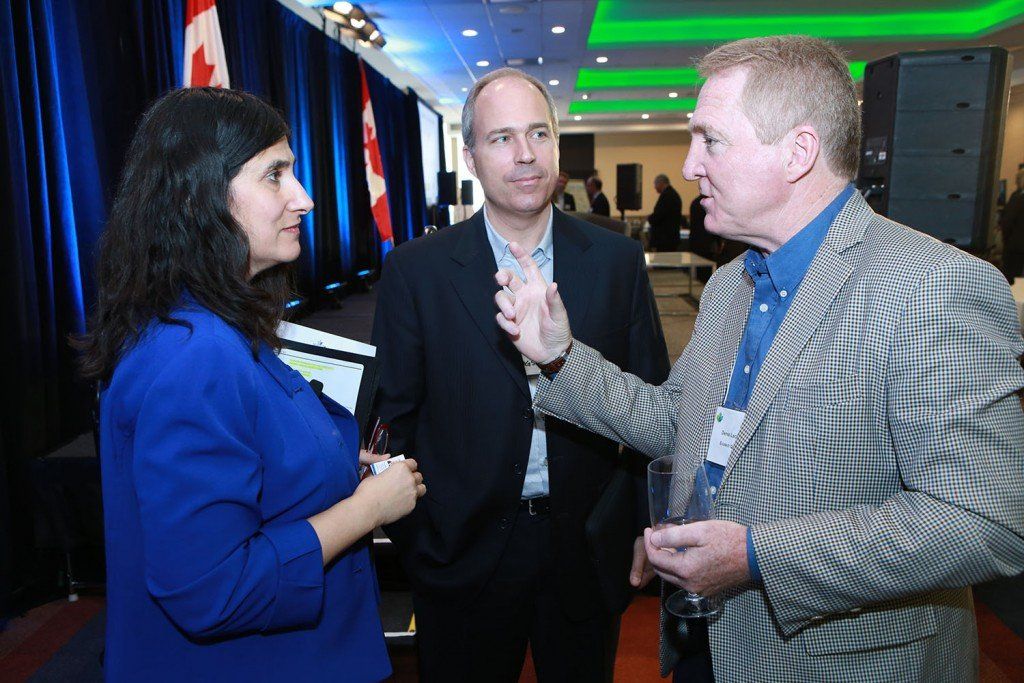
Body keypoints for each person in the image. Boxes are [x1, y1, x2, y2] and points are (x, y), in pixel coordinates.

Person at [494, 36, 1024, 682]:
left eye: (710, 140)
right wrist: (559, 357)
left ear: (798, 152)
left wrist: (756, 555)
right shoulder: (732, 283)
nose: (690, 165)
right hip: (709, 643)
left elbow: (981, 522)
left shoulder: (931, 286)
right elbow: (674, 421)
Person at [76, 87, 425, 682]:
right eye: (274, 175)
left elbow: (255, 463)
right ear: (200, 197)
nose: (305, 198)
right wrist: (367, 509)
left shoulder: (208, 329)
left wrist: (341, 464)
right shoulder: (197, 357)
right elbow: (214, 590)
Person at [372, 68, 669, 682]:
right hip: (461, 553)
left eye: (539, 133)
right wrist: (421, 546)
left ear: (558, 144)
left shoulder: (616, 261)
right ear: (472, 156)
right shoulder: (417, 272)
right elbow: (391, 423)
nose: (526, 154)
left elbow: (656, 403)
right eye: (502, 138)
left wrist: (648, 521)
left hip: (585, 549)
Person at [648, 173, 684, 251]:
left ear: (661, 183)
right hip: (670, 238)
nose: (655, 187)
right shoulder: (672, 194)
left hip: (665, 240)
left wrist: (650, 218)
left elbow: (658, 215)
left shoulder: (667, 196)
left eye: (655, 184)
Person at [1000, 168, 1024, 280]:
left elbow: (1007, 222)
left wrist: (1006, 241)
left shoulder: (1017, 197)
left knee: (1011, 281)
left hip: (1015, 247)